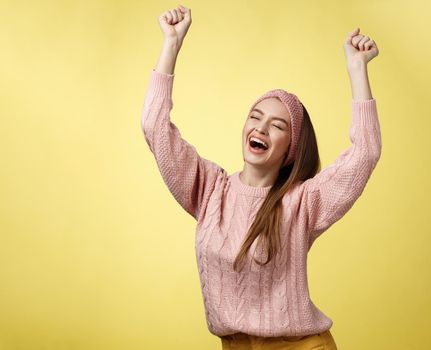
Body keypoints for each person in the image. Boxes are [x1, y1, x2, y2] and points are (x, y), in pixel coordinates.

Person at [141, 5, 381, 350]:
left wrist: (357, 68)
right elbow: (154, 128)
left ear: (291, 150)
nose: (262, 128)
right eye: (256, 117)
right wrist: (171, 44)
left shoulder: (302, 203)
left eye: (278, 125)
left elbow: (365, 154)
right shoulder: (209, 190)